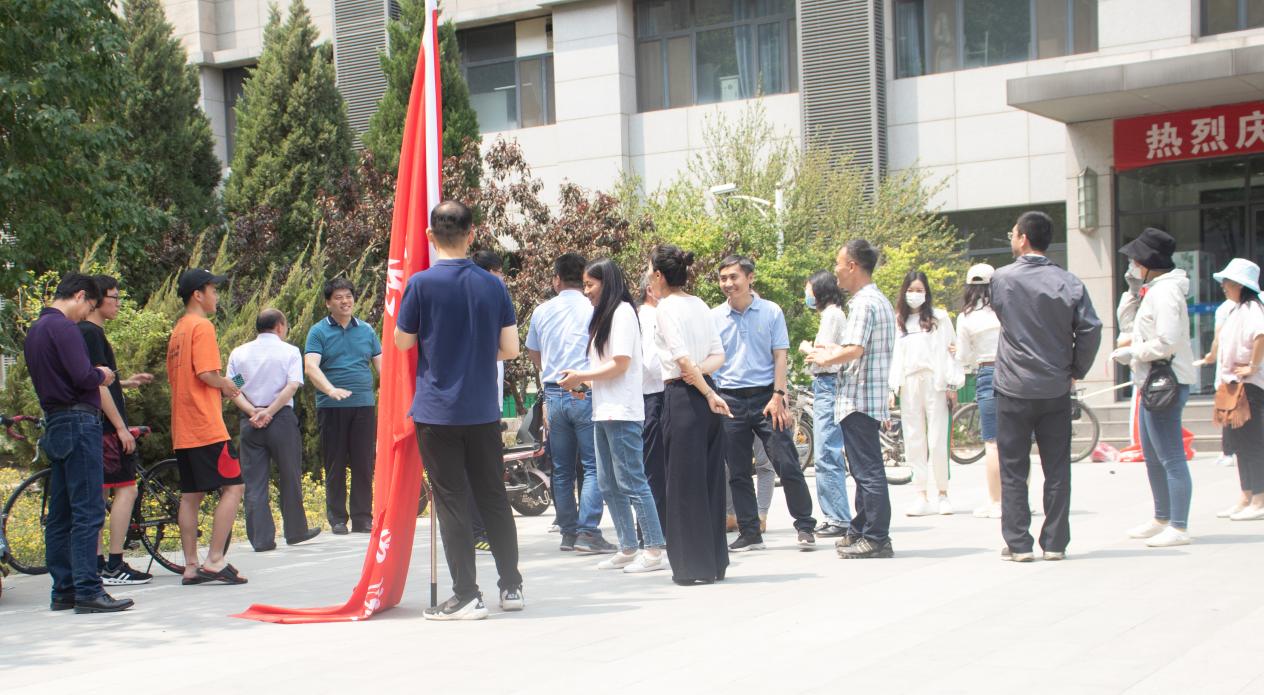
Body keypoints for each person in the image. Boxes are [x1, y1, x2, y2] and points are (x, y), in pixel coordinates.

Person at [395, 200, 524, 620]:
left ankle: (467, 594)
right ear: (473, 234)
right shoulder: (494, 285)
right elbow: (510, 348)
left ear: (430, 236)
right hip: (483, 409)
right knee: (493, 498)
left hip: (437, 412)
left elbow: (402, 341)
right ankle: (511, 586)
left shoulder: (420, 284)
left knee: (451, 502)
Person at [991, 211, 1102, 562]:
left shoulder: (1002, 278)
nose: (1012, 238)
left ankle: (1019, 543)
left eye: (1013, 233)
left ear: (1023, 238)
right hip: (1055, 386)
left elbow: (1004, 315)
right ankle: (1054, 543)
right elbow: (1091, 328)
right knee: (1057, 467)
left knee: (1013, 468)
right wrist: (1076, 368)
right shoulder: (1069, 282)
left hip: (1013, 385)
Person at [26, 273, 132, 613]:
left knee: (60, 513)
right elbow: (83, 376)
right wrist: (103, 374)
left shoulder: (36, 330)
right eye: (89, 305)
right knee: (88, 509)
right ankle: (88, 589)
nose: (86, 313)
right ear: (80, 296)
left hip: (55, 422)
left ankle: (64, 590)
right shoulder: (65, 328)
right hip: (79, 422)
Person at [559, 259, 668, 573]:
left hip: (622, 412)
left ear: (606, 283)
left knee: (632, 481)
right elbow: (609, 369)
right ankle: (628, 547)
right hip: (603, 410)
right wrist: (586, 386)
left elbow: (621, 364)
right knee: (608, 484)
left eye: (590, 284)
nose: (586, 291)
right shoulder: (605, 316)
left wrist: (582, 376)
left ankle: (653, 550)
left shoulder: (622, 313)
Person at [711, 255, 816, 551]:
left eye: (734, 277)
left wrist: (778, 396)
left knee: (786, 462)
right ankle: (750, 532)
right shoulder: (714, 316)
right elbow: (712, 358)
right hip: (730, 399)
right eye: (723, 278)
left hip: (767, 398)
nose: (728, 283)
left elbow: (780, 355)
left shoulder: (771, 311)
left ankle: (805, 526)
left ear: (750, 278)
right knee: (738, 471)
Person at [807, 240, 897, 559]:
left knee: (868, 471)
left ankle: (877, 537)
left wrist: (824, 357)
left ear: (852, 266)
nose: (835, 270)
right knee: (862, 469)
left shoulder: (863, 303)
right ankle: (861, 528)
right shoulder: (877, 300)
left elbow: (855, 349)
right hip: (867, 397)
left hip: (859, 397)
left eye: (838, 263)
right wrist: (832, 352)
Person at [648, 245, 732, 585]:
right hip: (705, 389)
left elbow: (681, 359)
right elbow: (718, 355)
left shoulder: (665, 308)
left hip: (684, 396)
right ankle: (713, 563)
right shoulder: (699, 304)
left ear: (659, 275)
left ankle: (688, 567)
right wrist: (704, 382)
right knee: (710, 480)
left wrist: (703, 387)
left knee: (682, 484)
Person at [1111, 228, 1195, 547]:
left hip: (1166, 383)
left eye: (1135, 260)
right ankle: (1162, 517)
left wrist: (1135, 352)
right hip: (1152, 382)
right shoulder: (1154, 290)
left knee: (1170, 456)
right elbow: (1136, 328)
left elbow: (1168, 341)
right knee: (1153, 453)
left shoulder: (1165, 292)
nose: (1132, 265)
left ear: (1147, 262)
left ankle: (1179, 526)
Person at [527, 253, 613, 554]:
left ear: (556, 280)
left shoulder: (542, 311)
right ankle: (588, 532)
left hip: (554, 392)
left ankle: (568, 532)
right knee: (593, 465)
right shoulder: (595, 308)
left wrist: (549, 369)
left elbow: (533, 352)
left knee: (561, 468)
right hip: (585, 390)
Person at [167, 268, 247, 585]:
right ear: (197, 295)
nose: (216, 295)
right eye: (213, 290)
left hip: (183, 427)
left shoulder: (178, 330)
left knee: (191, 495)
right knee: (234, 487)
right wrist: (226, 384)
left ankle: (191, 566)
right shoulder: (202, 326)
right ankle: (214, 559)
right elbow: (205, 374)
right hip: (205, 425)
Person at [79, 275, 156, 585]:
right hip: (107, 429)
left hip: (96, 427)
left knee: (100, 494)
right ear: (97, 299)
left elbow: (95, 379)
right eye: (114, 297)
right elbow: (97, 386)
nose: (118, 303)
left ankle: (99, 564)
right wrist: (122, 428)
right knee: (127, 489)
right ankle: (114, 563)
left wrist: (124, 383)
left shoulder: (84, 331)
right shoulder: (91, 332)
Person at [226, 309, 321, 551]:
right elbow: (292, 386)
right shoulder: (289, 351)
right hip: (280, 419)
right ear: (279, 326)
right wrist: (269, 411)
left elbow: (235, 388)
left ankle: (261, 538)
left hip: (251, 421)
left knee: (254, 481)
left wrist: (253, 411)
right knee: (289, 475)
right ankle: (296, 531)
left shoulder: (240, 353)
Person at [304, 278, 382, 535]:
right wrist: (330, 390)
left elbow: (382, 366)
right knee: (335, 462)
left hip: (364, 404)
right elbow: (310, 367)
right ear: (328, 303)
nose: (345, 301)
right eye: (338, 297)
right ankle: (337, 518)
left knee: (363, 463)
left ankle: (362, 518)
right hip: (332, 406)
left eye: (348, 296)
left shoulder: (367, 330)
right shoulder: (318, 331)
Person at [889, 270, 963, 517]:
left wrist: (952, 385)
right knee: (914, 440)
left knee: (937, 440)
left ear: (927, 292)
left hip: (935, 383)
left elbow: (952, 352)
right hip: (909, 383)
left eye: (919, 290)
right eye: (911, 290)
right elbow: (894, 357)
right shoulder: (899, 321)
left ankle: (943, 493)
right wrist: (892, 387)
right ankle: (920, 493)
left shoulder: (939, 318)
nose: (915, 294)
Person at [799, 270, 851, 537]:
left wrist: (807, 349)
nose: (807, 293)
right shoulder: (833, 314)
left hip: (828, 384)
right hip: (828, 385)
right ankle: (835, 515)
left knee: (826, 453)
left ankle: (838, 518)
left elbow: (826, 356)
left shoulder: (832, 315)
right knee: (826, 452)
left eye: (809, 288)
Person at [1212, 258, 1264, 521]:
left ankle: (1259, 499)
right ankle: (1246, 495)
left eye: (1228, 282)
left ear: (1240, 285)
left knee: (1252, 443)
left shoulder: (1253, 308)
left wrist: (1252, 366)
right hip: (1234, 384)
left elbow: (1261, 335)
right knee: (1240, 444)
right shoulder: (1236, 310)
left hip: (1249, 386)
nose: (1224, 287)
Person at [955, 264, 1003, 519]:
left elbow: (963, 356)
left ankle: (996, 502)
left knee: (992, 442)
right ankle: (1020, 501)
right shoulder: (1006, 309)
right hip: (1015, 372)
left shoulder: (966, 317)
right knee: (1016, 440)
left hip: (987, 371)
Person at [470, 249, 506, 552]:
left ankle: (483, 529)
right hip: (476, 406)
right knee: (479, 474)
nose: (501, 277)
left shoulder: (493, 301)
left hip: (489, 404)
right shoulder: (477, 303)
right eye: (497, 271)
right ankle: (477, 531)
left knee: (488, 473)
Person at [637, 273, 668, 534]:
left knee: (653, 466)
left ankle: (651, 528)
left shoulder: (643, 315)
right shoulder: (649, 316)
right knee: (655, 467)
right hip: (654, 395)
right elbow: (652, 361)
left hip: (650, 397)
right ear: (650, 289)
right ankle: (654, 529)